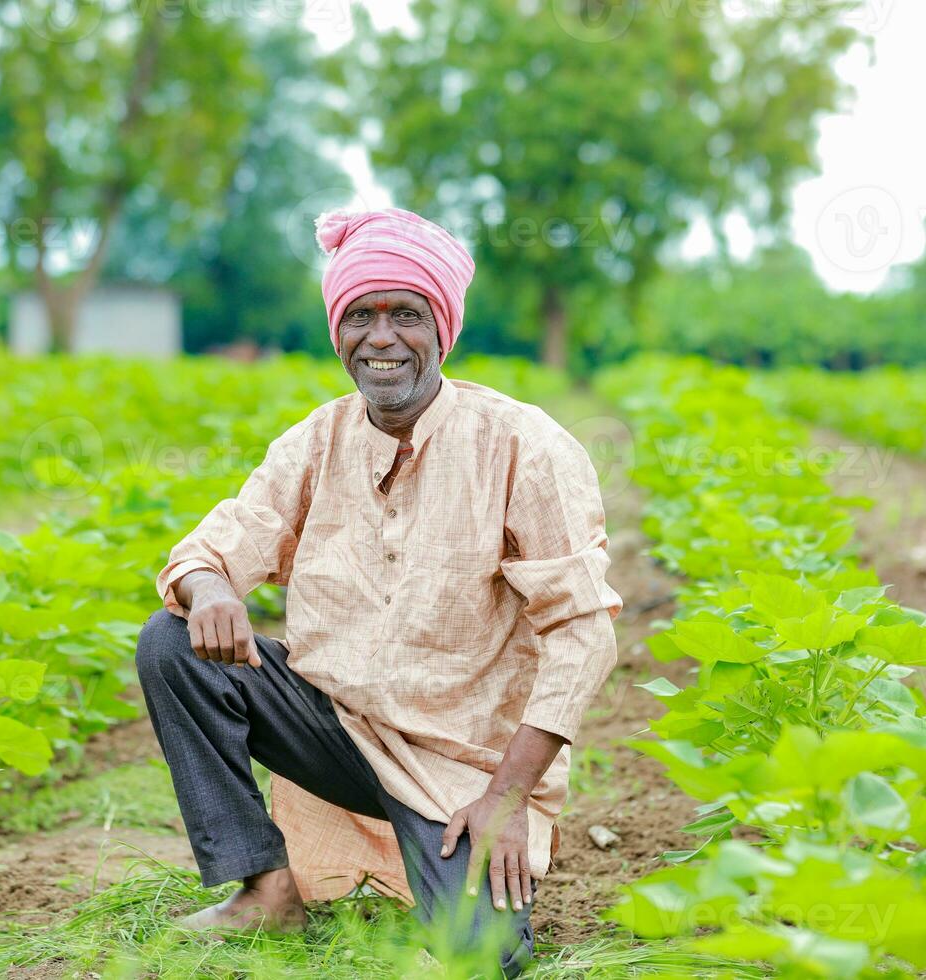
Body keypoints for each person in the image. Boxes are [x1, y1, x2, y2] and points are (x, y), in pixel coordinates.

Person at [136, 207, 622, 976]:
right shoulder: (315, 442)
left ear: (442, 330)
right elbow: (212, 547)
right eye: (361, 315)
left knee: (479, 958)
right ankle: (265, 889)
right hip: (334, 728)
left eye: (406, 314)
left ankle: (452, 872)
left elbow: (583, 631)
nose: (382, 337)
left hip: (461, 770)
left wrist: (505, 798)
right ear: (339, 333)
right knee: (171, 641)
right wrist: (211, 587)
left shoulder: (523, 446)